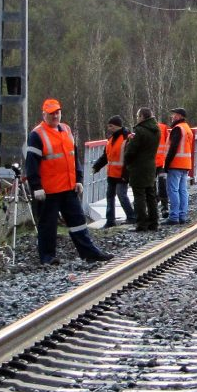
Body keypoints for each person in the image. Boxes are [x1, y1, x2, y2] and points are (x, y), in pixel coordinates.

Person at [25, 98, 110, 266]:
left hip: (68, 187)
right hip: (49, 190)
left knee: (78, 221)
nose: (55, 115)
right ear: (44, 115)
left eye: (57, 112)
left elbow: (73, 156)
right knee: (47, 225)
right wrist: (36, 186)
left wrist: (78, 179)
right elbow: (31, 163)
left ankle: (89, 253)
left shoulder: (66, 129)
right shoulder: (37, 135)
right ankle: (47, 257)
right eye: (51, 113)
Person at [91, 115, 135, 227]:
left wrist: (126, 174)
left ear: (117, 126)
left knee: (121, 195)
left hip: (121, 174)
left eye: (111, 126)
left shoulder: (127, 138)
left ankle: (131, 216)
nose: (109, 128)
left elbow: (130, 158)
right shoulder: (111, 139)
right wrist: (96, 166)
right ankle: (110, 220)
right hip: (112, 173)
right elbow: (106, 156)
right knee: (110, 196)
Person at [124, 106, 161, 232]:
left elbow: (131, 151)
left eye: (138, 116)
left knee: (139, 196)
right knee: (151, 195)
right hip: (151, 166)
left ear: (142, 117)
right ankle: (154, 222)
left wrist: (126, 161)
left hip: (138, 167)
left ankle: (142, 224)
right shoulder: (157, 130)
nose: (137, 118)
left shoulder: (139, 131)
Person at [163, 107, 194, 224]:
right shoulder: (187, 129)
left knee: (173, 190)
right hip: (185, 164)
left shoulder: (177, 129)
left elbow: (173, 148)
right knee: (183, 190)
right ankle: (182, 215)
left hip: (175, 164)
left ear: (180, 116)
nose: (172, 117)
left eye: (174, 115)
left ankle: (174, 216)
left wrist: (167, 164)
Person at [154, 117, 170, 219]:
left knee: (158, 185)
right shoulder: (163, 128)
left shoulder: (142, 129)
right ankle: (162, 207)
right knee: (161, 184)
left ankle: (162, 207)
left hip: (157, 163)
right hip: (160, 163)